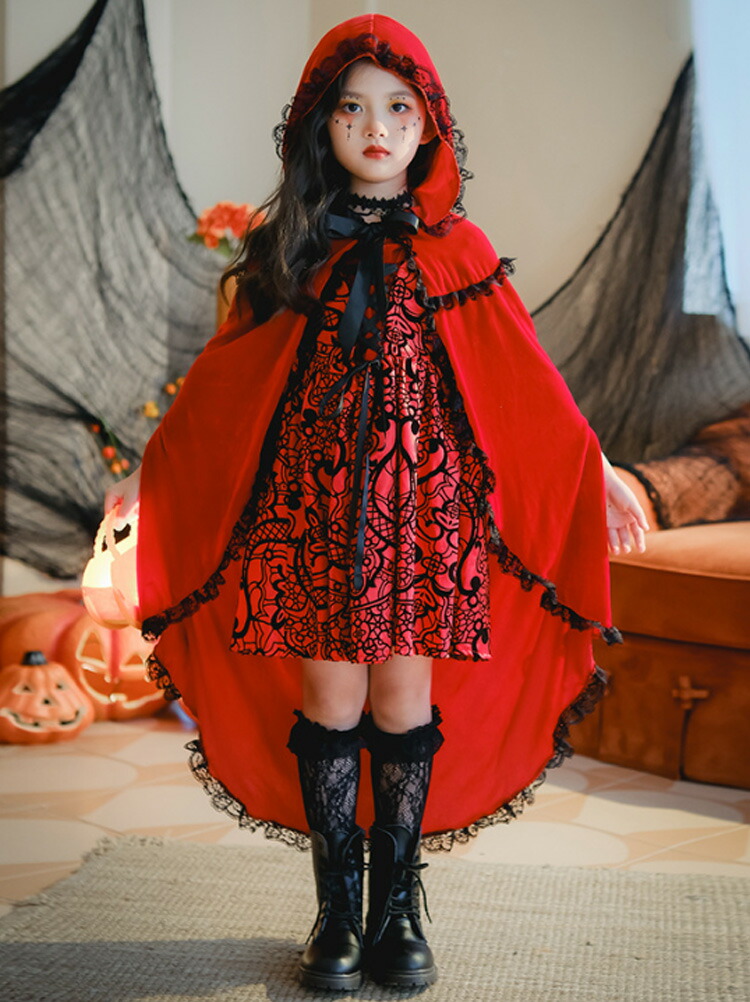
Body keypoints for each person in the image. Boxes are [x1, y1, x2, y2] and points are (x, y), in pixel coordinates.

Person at [105, 14, 648, 992]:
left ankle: (398, 910)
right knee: (332, 702)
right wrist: (147, 473)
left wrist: (596, 464)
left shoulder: (458, 250)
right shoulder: (289, 248)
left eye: (398, 108)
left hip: (423, 523)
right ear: (321, 124)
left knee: (403, 705)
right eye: (351, 109)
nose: (376, 127)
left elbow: (525, 380)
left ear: (429, 122)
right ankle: (334, 916)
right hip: (311, 519)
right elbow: (222, 384)